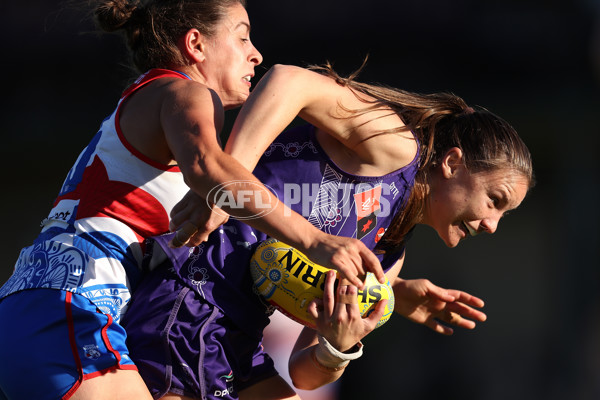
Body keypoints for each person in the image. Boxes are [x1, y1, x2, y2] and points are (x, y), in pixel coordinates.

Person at [0, 2, 383, 399]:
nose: (256, 53)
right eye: (241, 36)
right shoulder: (185, 90)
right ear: (196, 45)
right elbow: (208, 168)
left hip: (47, 306)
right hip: (72, 308)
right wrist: (316, 241)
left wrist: (396, 291)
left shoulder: (153, 101)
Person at [122, 63, 533, 399]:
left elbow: (303, 374)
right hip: (187, 298)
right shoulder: (396, 148)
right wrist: (226, 179)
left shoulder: (387, 255)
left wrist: (337, 346)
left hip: (236, 339)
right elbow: (289, 80)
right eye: (495, 200)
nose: (492, 225)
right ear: (453, 163)